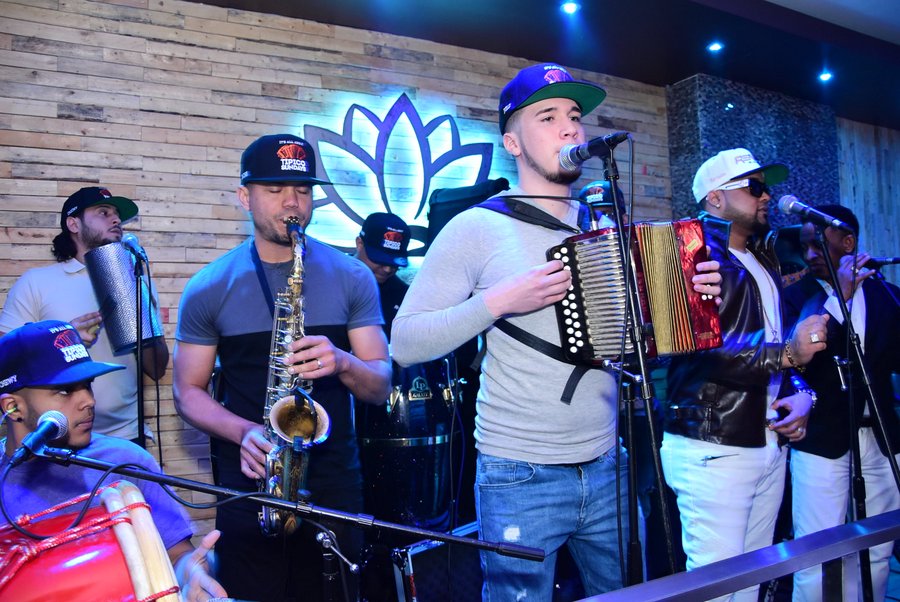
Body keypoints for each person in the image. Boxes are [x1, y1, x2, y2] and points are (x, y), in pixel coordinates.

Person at [391, 62, 722, 600]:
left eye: (573, 116)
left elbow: (641, 346)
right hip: (520, 473)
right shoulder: (477, 227)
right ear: (512, 143)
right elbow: (405, 344)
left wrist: (694, 298)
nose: (569, 127)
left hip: (609, 462)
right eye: (547, 117)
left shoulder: (605, 227)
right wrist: (497, 303)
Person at [173, 133, 391, 602]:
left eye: (303, 190)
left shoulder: (353, 277)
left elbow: (379, 385)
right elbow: (186, 391)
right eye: (274, 189)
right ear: (244, 196)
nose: (292, 203)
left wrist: (343, 362)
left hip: (333, 485)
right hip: (250, 480)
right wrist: (242, 432)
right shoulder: (209, 287)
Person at [660, 148, 828, 602]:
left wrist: (799, 389)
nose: (766, 196)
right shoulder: (689, 256)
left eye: (765, 187)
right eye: (754, 187)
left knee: (751, 584)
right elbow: (706, 352)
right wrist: (789, 356)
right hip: (714, 444)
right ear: (715, 198)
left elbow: (772, 339)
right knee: (716, 590)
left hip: (765, 439)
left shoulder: (760, 258)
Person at [0, 320, 226, 601]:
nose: (88, 400)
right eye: (65, 390)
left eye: (88, 385)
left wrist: (189, 575)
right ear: (13, 407)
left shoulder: (126, 461)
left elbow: (175, 554)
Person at [783, 205, 900, 601]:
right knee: (815, 555)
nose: (809, 255)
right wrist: (840, 296)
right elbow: (799, 360)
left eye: (818, 245)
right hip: (821, 438)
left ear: (848, 242)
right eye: (805, 247)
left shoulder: (885, 295)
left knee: (878, 550)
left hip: (880, 439)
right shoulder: (796, 296)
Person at [0, 186, 168, 443]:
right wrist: (64, 340)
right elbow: (6, 361)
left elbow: (157, 370)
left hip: (127, 436)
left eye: (117, 215)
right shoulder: (37, 282)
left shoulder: (136, 282)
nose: (115, 219)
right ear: (73, 224)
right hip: (58, 436)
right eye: (103, 212)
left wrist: (142, 328)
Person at [353, 211, 412, 335]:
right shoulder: (331, 281)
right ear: (359, 244)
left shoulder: (405, 297)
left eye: (394, 262)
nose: (387, 269)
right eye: (380, 260)